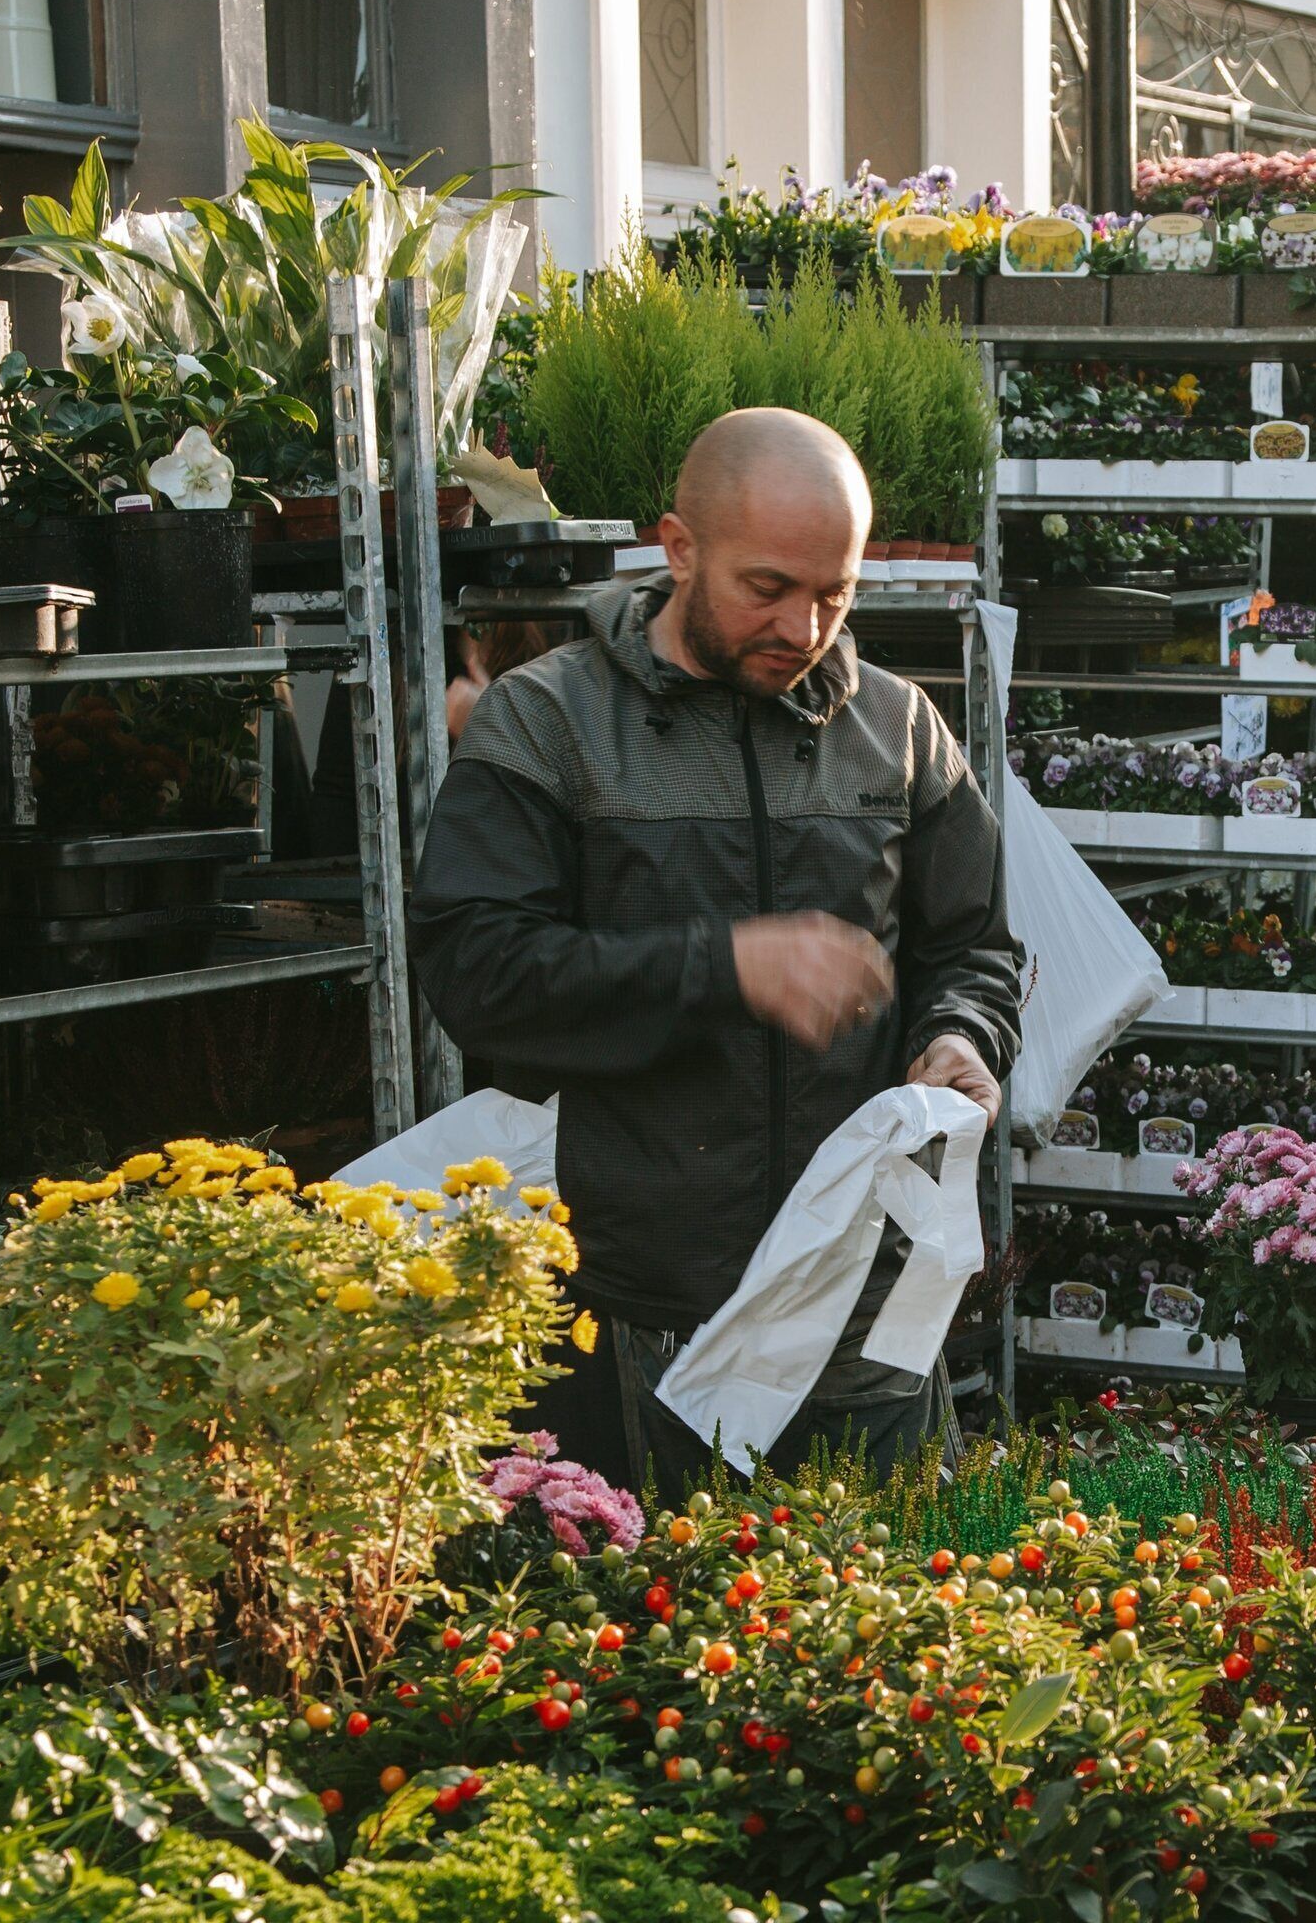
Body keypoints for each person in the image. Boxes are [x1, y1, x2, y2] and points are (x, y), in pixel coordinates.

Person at [409, 407, 1021, 1501]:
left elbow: (972, 945)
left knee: (905, 1645)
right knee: (646, 1643)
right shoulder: (546, 727)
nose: (806, 627)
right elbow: (477, 975)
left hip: (862, 1307)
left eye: (836, 594)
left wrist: (958, 1036)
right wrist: (724, 967)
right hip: (636, 1309)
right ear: (678, 549)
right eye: (769, 588)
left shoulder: (901, 729)